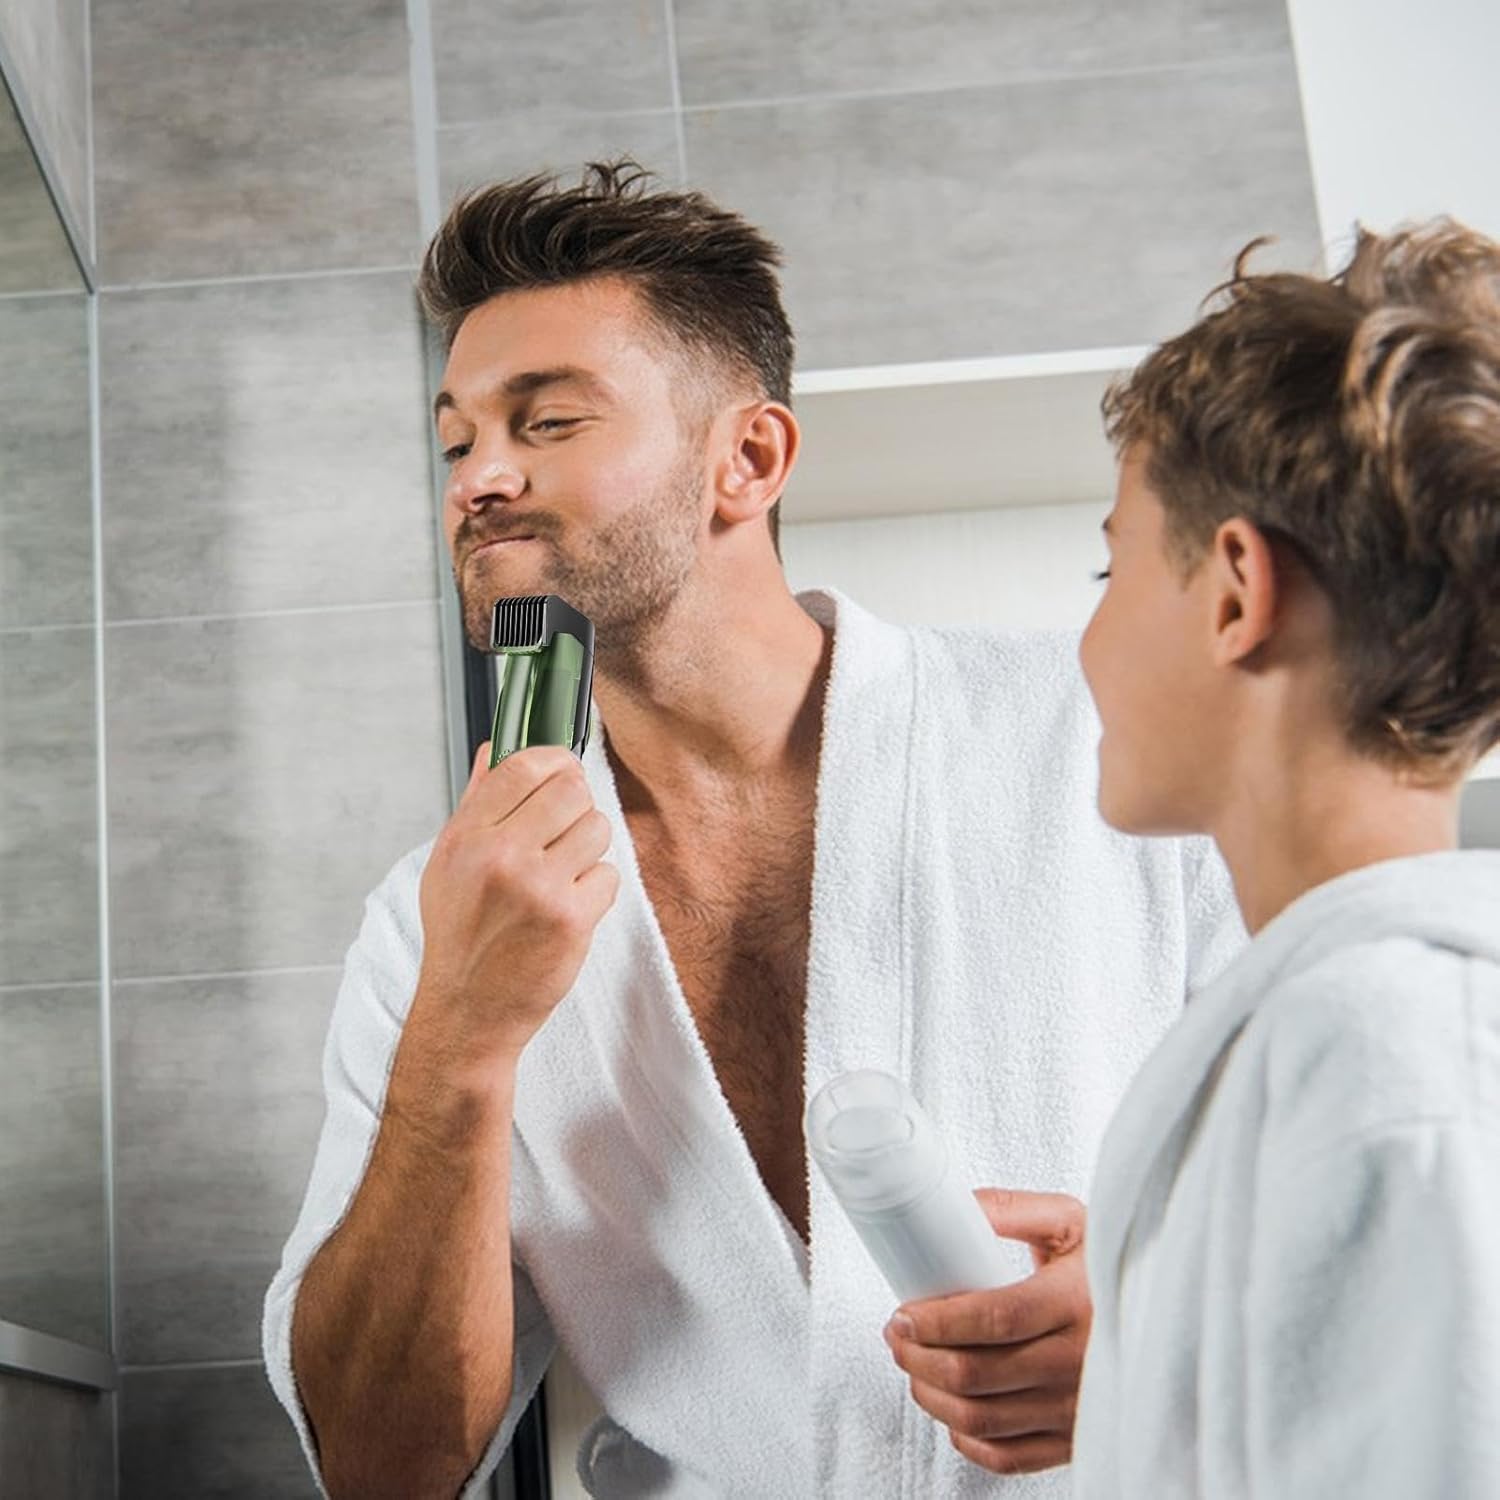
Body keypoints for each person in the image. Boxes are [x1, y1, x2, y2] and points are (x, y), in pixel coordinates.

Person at [262, 162, 1244, 1499]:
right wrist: (461, 1042)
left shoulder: (1092, 740)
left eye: (545, 421)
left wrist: (1166, 1322)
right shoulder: (430, 921)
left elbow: (1382, 1143)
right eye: (455, 441)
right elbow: (385, 1467)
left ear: (749, 459)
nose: (478, 480)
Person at [1055, 220, 1500, 1497]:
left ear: (1236, 590)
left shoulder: (1395, 1053)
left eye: (1112, 560)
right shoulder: (1345, 1038)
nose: (1083, 634)